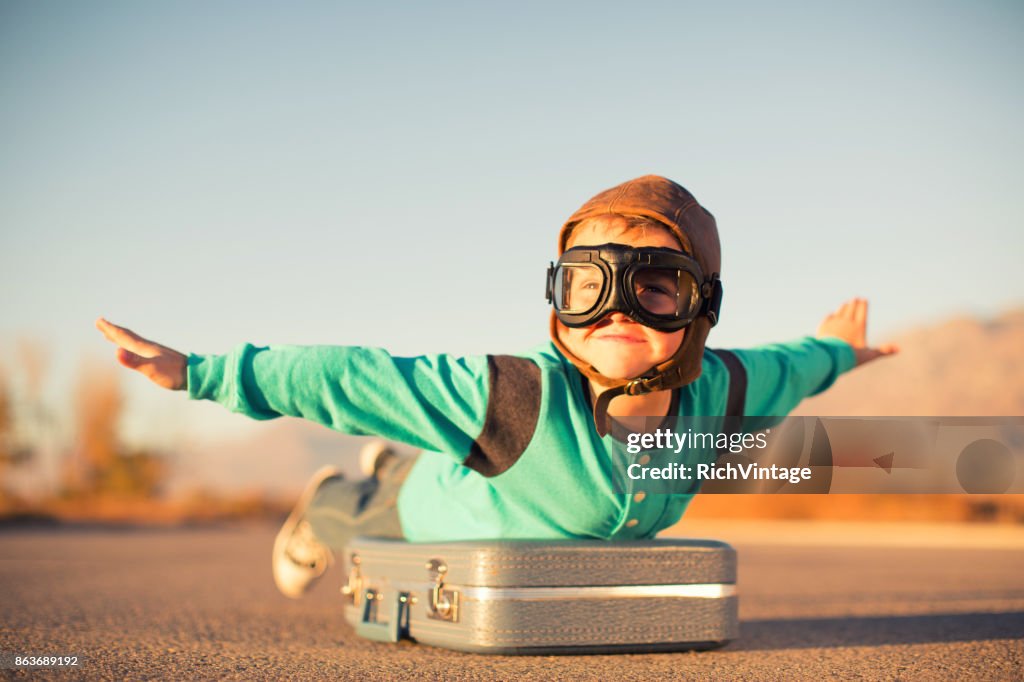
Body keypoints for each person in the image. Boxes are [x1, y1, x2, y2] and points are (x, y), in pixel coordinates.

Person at [95, 175, 898, 598]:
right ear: (558, 297)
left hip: (487, 479)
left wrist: (836, 351)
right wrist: (199, 373)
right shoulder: (515, 396)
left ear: (703, 308)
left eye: (657, 287)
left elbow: (793, 364)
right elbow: (353, 378)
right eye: (589, 285)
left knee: (422, 450)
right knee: (360, 519)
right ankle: (336, 498)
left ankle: (403, 454)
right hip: (435, 512)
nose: (618, 309)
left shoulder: (720, 392)